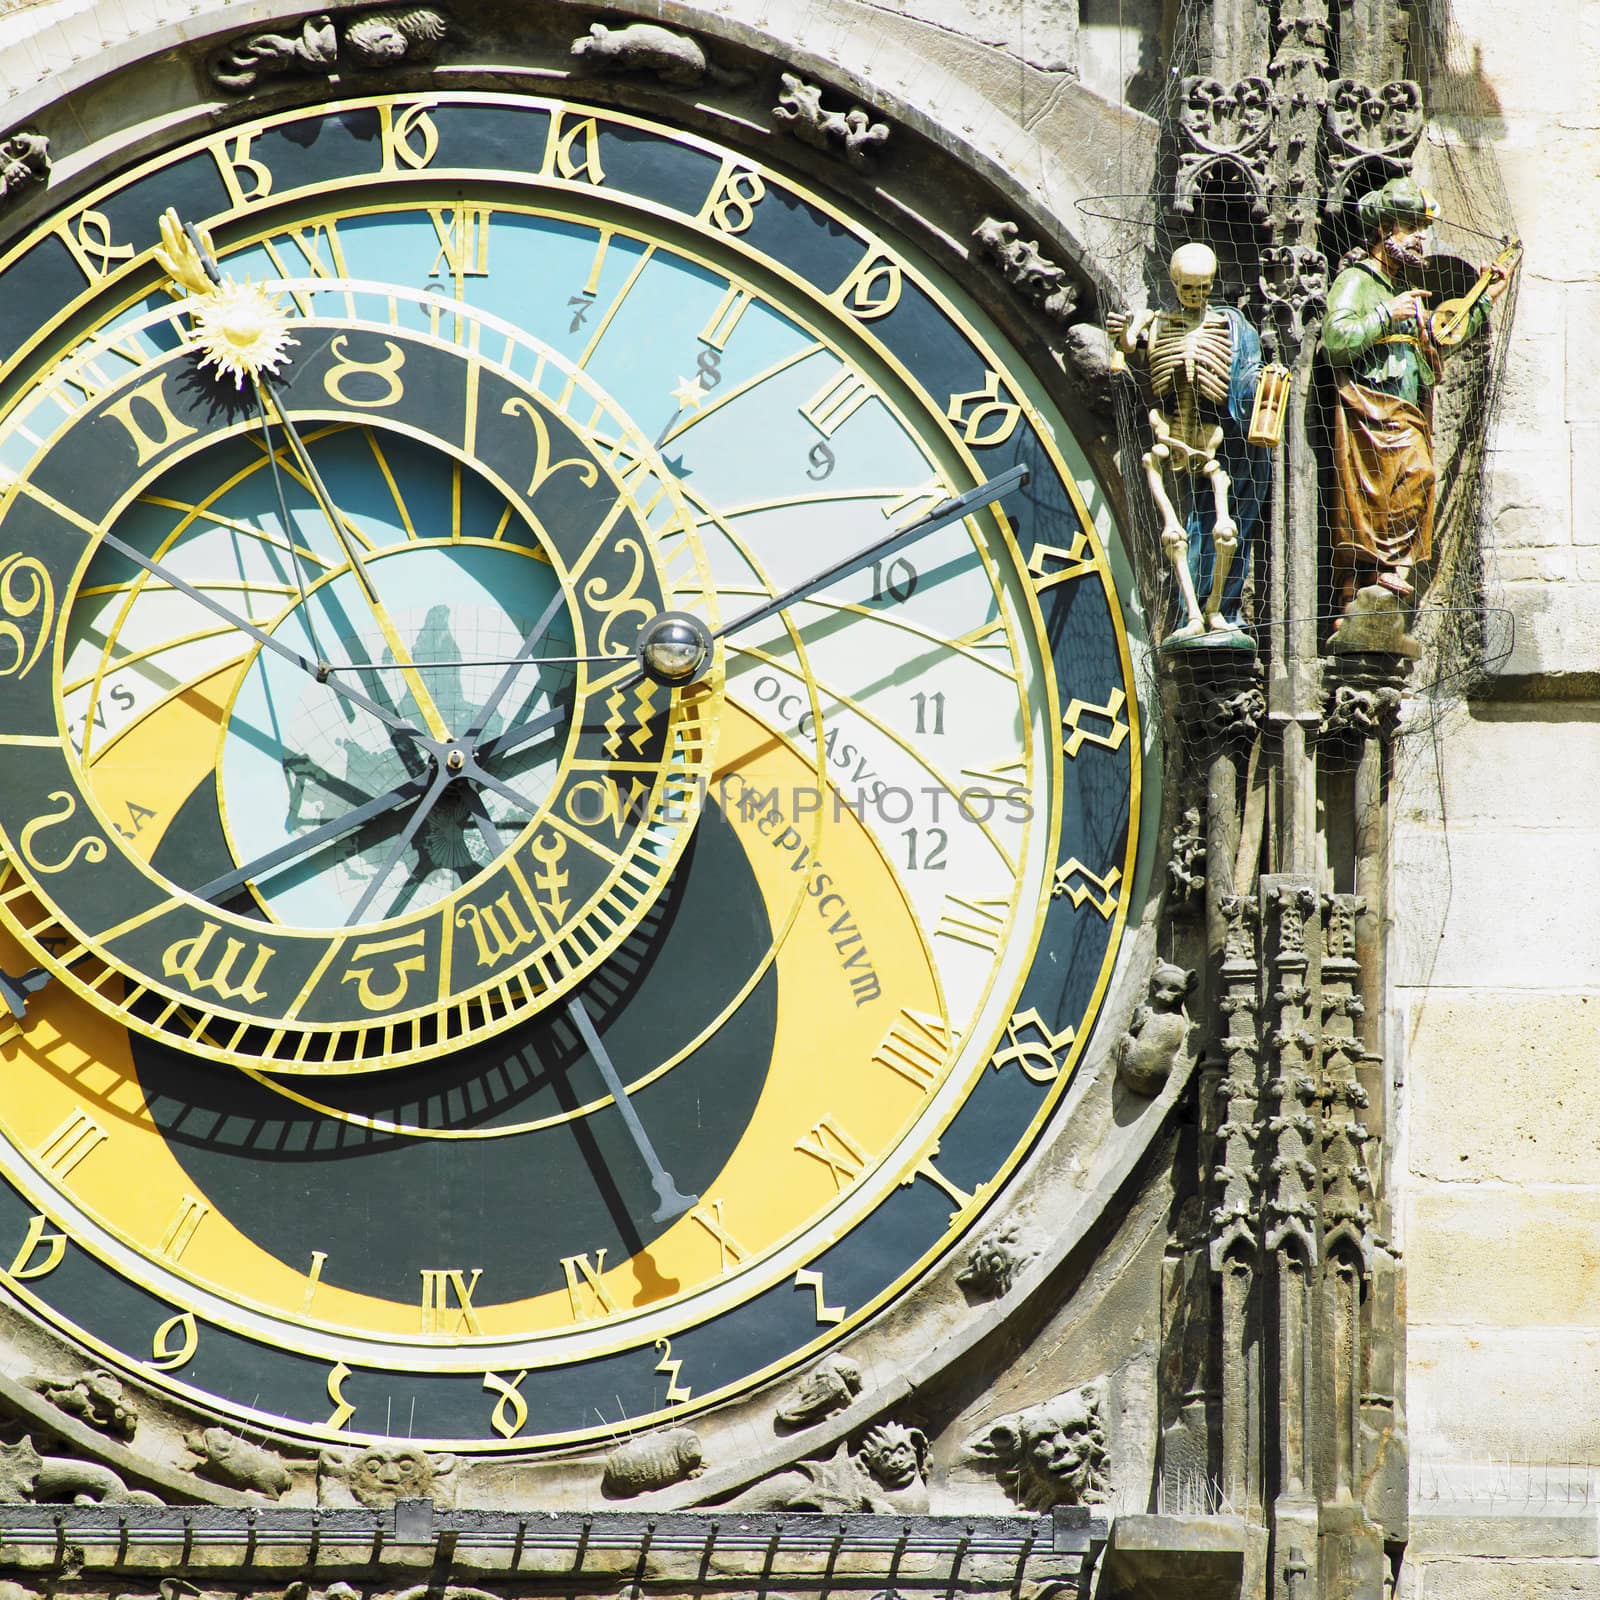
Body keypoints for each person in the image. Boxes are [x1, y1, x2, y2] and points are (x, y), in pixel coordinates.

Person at [1322, 176, 1510, 611]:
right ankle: (1372, 579)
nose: (1422, 237)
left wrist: (1486, 297)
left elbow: (1444, 334)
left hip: (1405, 411)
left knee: (1416, 476)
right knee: (1408, 478)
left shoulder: (1401, 289)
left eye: (1423, 228)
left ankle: (1389, 571)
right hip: (1369, 408)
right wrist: (1388, 314)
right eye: (1412, 227)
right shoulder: (1358, 280)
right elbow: (1335, 339)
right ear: (1385, 230)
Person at [1108, 243, 1268, 643]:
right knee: (1179, 531)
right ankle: (1193, 611)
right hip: (1169, 437)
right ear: (1175, 285)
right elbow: (1132, 352)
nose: (1196, 296)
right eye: (1188, 289)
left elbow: (1249, 372)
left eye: (1204, 288)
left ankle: (1217, 608)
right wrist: (1127, 340)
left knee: (1225, 524)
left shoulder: (1230, 326)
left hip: (1215, 440)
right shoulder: (1159, 324)